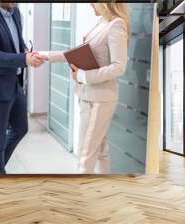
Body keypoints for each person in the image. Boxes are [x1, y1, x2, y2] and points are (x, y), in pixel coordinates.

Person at [47, 3, 130, 174]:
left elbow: (119, 67)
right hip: (89, 95)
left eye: (93, 3)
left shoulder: (117, 25)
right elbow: (76, 53)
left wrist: (84, 76)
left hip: (100, 98)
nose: (91, 6)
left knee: (86, 155)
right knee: (101, 151)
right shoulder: (102, 22)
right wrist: (46, 56)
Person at [0, 3, 47, 174]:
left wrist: (27, 52)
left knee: (20, 128)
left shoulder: (15, 12)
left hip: (14, 82)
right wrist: (24, 59)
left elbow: (16, 42)